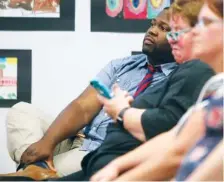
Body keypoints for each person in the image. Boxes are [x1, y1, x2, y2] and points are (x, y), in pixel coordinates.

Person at [1, 7, 177, 180]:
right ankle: (38, 169)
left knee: (47, 166)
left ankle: (33, 172)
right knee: (22, 111)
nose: (152, 31)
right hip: (80, 137)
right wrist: (47, 143)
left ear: (181, 38)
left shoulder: (180, 79)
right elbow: (83, 106)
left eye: (163, 28)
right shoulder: (122, 65)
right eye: (153, 24)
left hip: (102, 151)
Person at [91, 0, 223, 181]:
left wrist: (121, 112)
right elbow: (176, 139)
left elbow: (179, 153)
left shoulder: (199, 73)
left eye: (205, 23)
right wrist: (116, 166)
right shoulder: (215, 86)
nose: (195, 31)